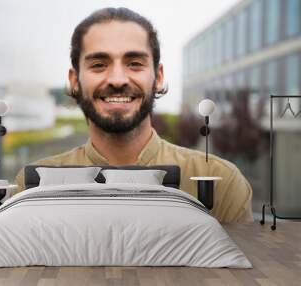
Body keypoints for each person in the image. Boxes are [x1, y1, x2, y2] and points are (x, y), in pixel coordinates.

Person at [14, 7, 253, 223]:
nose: (118, 80)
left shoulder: (221, 182)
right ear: (74, 81)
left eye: (135, 63)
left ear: (158, 78)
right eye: (98, 64)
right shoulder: (31, 186)